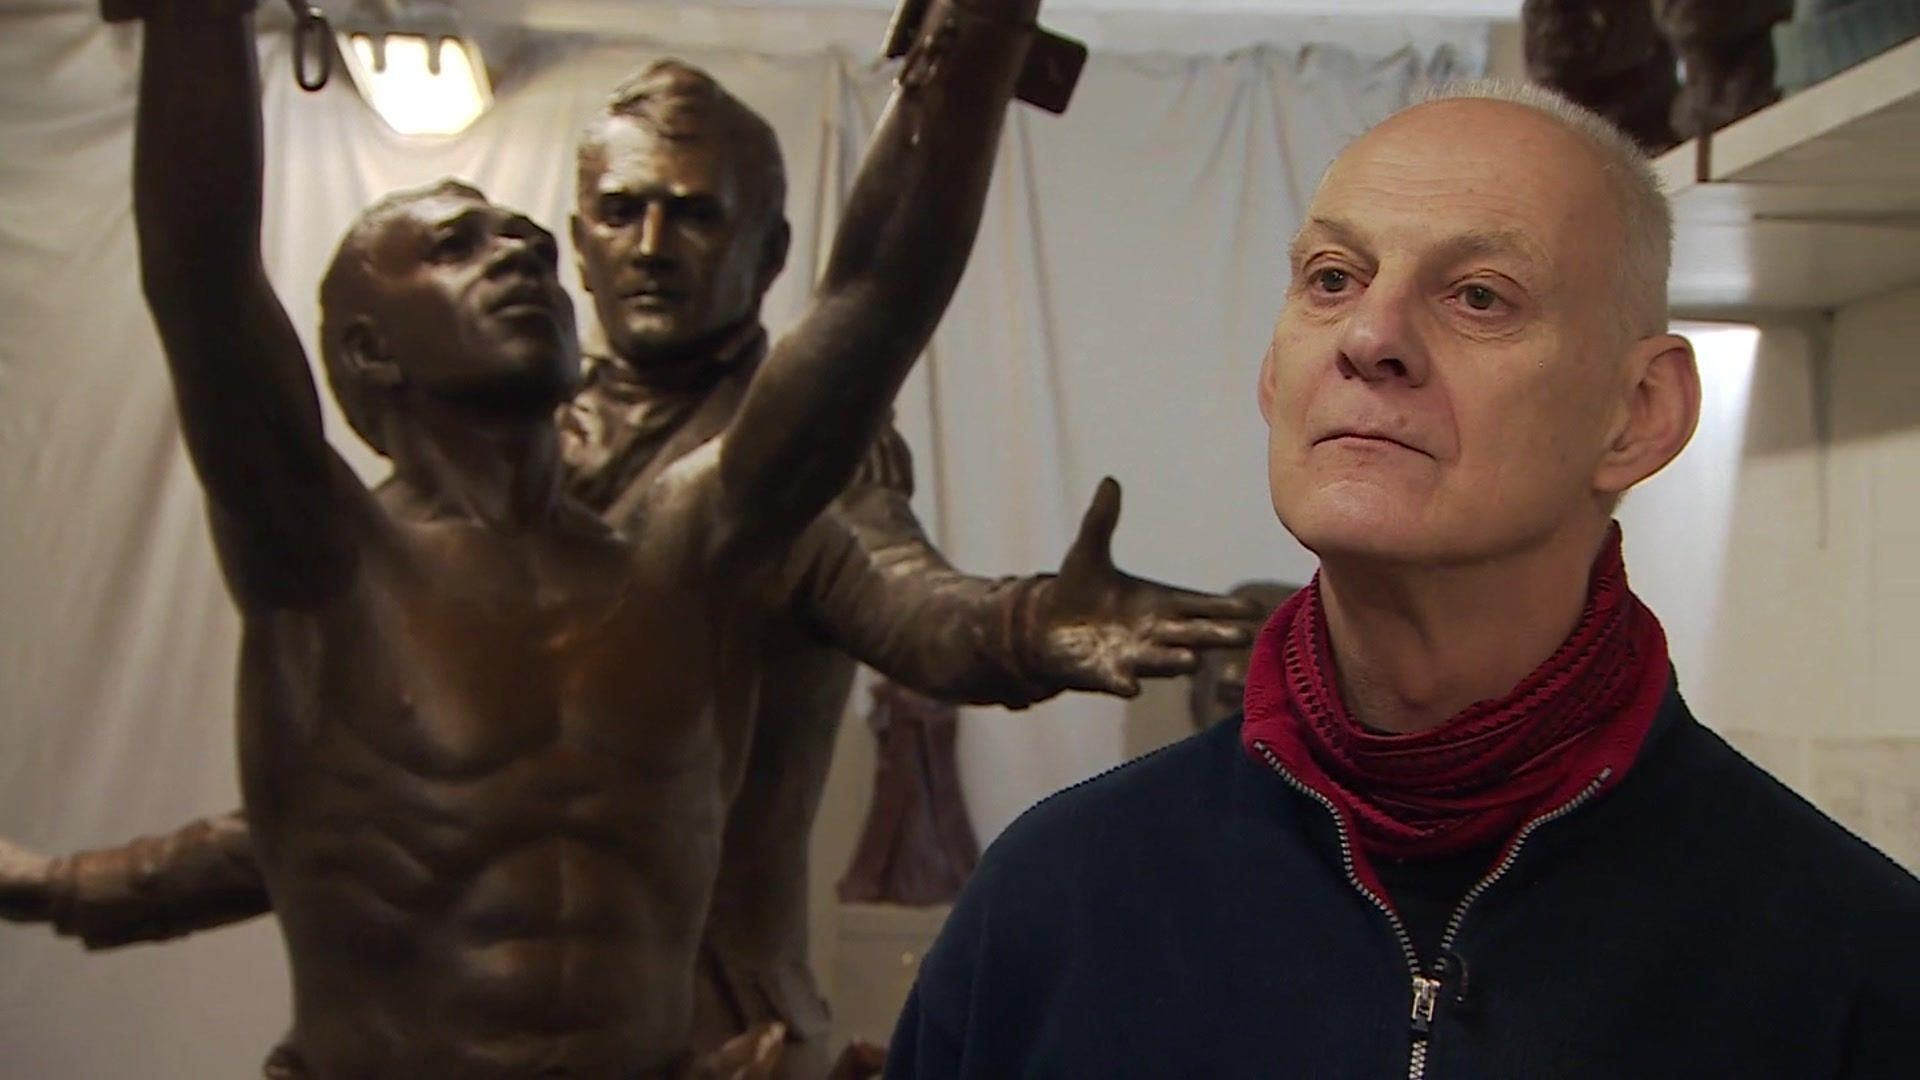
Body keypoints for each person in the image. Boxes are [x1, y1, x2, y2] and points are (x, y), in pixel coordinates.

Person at [0, 45, 1257, 1075]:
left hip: (714, 1023)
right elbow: (204, 279)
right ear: (371, 354)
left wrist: (968, 47)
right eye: (603, 215)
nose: (547, 258)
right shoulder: (331, 550)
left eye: (692, 213)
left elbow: (878, 344)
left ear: (765, 255)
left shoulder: (708, 530)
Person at [885, 80, 1920, 1077]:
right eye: (1333, 279)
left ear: (1640, 411)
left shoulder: (1855, 966)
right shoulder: (1054, 899)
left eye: (1479, 296)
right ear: (1272, 374)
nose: (1370, 338)